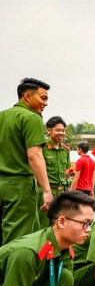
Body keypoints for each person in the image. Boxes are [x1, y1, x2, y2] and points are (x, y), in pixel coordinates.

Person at [0, 78, 53, 245]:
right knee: (17, 241)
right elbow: (34, 156)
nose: (45, 103)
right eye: (43, 98)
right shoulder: (32, 118)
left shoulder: (2, 116)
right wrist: (46, 189)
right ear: (27, 96)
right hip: (20, 186)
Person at [38, 116, 71, 228]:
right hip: (46, 192)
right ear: (49, 130)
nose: (61, 133)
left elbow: (66, 171)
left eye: (63, 130)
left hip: (61, 193)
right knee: (44, 225)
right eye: (58, 130)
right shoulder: (42, 149)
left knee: (59, 225)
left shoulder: (66, 151)